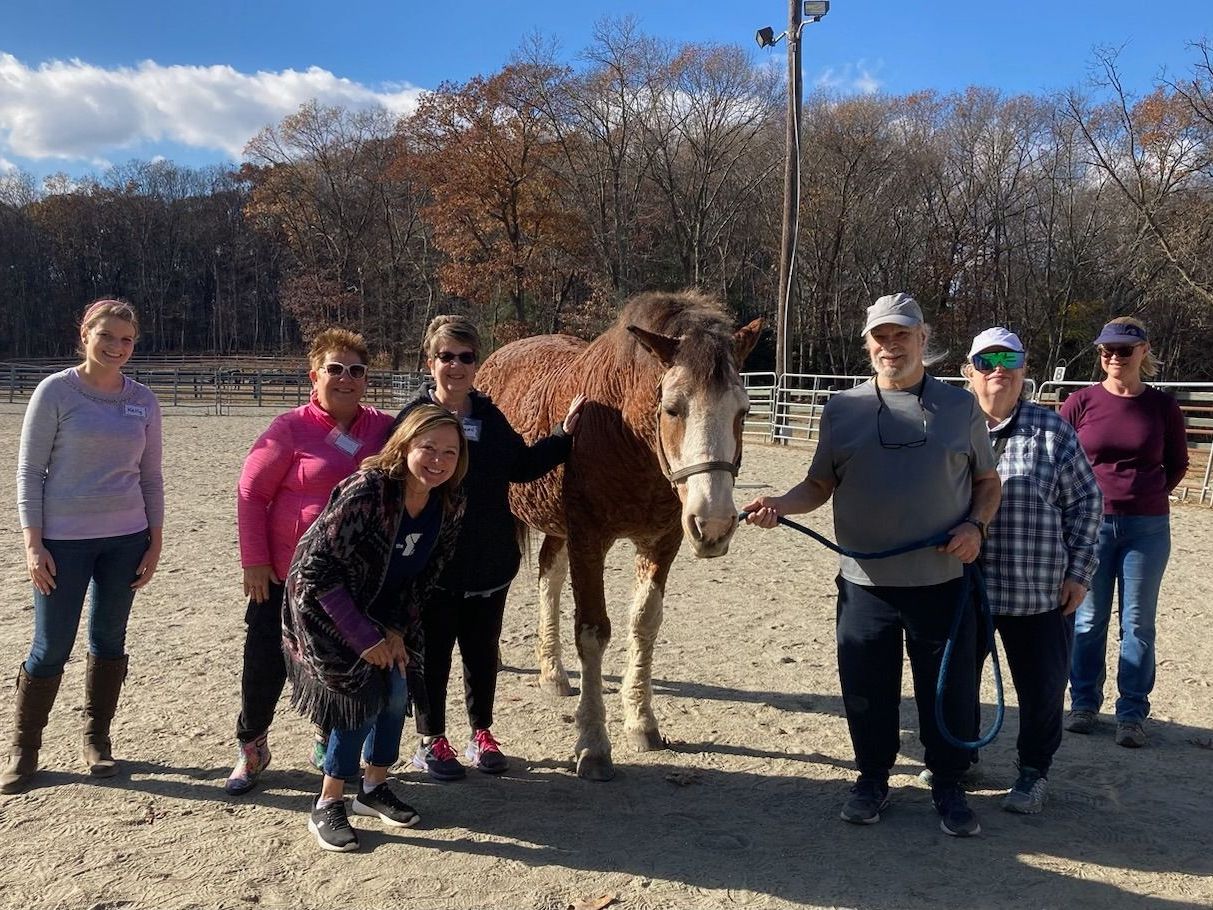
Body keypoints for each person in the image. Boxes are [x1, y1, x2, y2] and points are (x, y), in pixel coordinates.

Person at [743, 292, 1000, 838]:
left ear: (923, 340)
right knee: (866, 688)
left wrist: (975, 526)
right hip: (866, 585)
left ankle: (949, 785)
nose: (891, 346)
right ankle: (872, 779)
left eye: (902, 335)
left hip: (943, 583)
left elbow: (988, 482)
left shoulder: (960, 408)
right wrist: (779, 506)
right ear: (868, 345)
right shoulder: (843, 412)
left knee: (948, 690)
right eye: (881, 337)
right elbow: (819, 484)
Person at [395, 316, 584, 780]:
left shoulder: (486, 415)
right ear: (430, 362)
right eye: (446, 357)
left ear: (475, 363)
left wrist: (562, 436)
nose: (455, 366)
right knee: (433, 654)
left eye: (465, 357)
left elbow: (520, 465)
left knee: (482, 652)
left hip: (489, 560)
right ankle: (432, 739)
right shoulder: (415, 416)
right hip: (432, 564)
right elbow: (390, 478)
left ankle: (481, 733)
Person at [283, 404, 467, 852]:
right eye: (428, 447)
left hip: (388, 617)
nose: (438, 460)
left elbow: (426, 577)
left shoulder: (449, 504)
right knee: (360, 698)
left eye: (450, 452)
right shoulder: (367, 491)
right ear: (404, 444)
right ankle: (329, 800)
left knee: (398, 690)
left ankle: (373, 788)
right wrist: (363, 640)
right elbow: (315, 570)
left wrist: (397, 632)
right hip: (327, 611)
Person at [225, 328, 395, 795]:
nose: (346, 378)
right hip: (284, 575)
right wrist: (254, 561)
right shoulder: (290, 428)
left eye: (356, 371)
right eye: (335, 369)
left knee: (336, 666)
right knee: (265, 662)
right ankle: (253, 746)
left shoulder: (383, 428)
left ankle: (329, 742)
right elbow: (250, 492)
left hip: (349, 582)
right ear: (314, 376)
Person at [3, 299, 163, 794]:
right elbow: (30, 472)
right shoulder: (56, 392)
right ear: (85, 334)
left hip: (126, 540)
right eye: (107, 336)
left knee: (109, 640)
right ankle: (25, 748)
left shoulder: (143, 400)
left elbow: (150, 477)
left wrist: (154, 542)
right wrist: (33, 544)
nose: (117, 347)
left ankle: (97, 738)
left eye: (127, 340)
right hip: (63, 542)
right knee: (51, 644)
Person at [963, 327, 1102, 814]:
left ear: (1024, 371)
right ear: (968, 373)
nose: (999, 369)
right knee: (956, 677)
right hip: (965, 587)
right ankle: (963, 758)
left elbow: (1087, 503)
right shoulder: (948, 431)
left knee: (1042, 688)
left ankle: (1032, 772)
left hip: (1038, 589)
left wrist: (1080, 572)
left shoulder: (1053, 431)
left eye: (1011, 359)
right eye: (987, 360)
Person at [1060, 317, 1189, 748]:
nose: (1115, 357)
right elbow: (1059, 458)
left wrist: (1145, 495)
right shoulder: (1080, 403)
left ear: (1143, 352)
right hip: (1090, 525)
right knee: (1088, 617)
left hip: (1146, 527)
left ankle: (1131, 712)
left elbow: (1177, 464)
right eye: (1107, 350)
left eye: (1124, 349)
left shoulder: (1162, 407)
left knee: (1137, 622)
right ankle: (1083, 702)